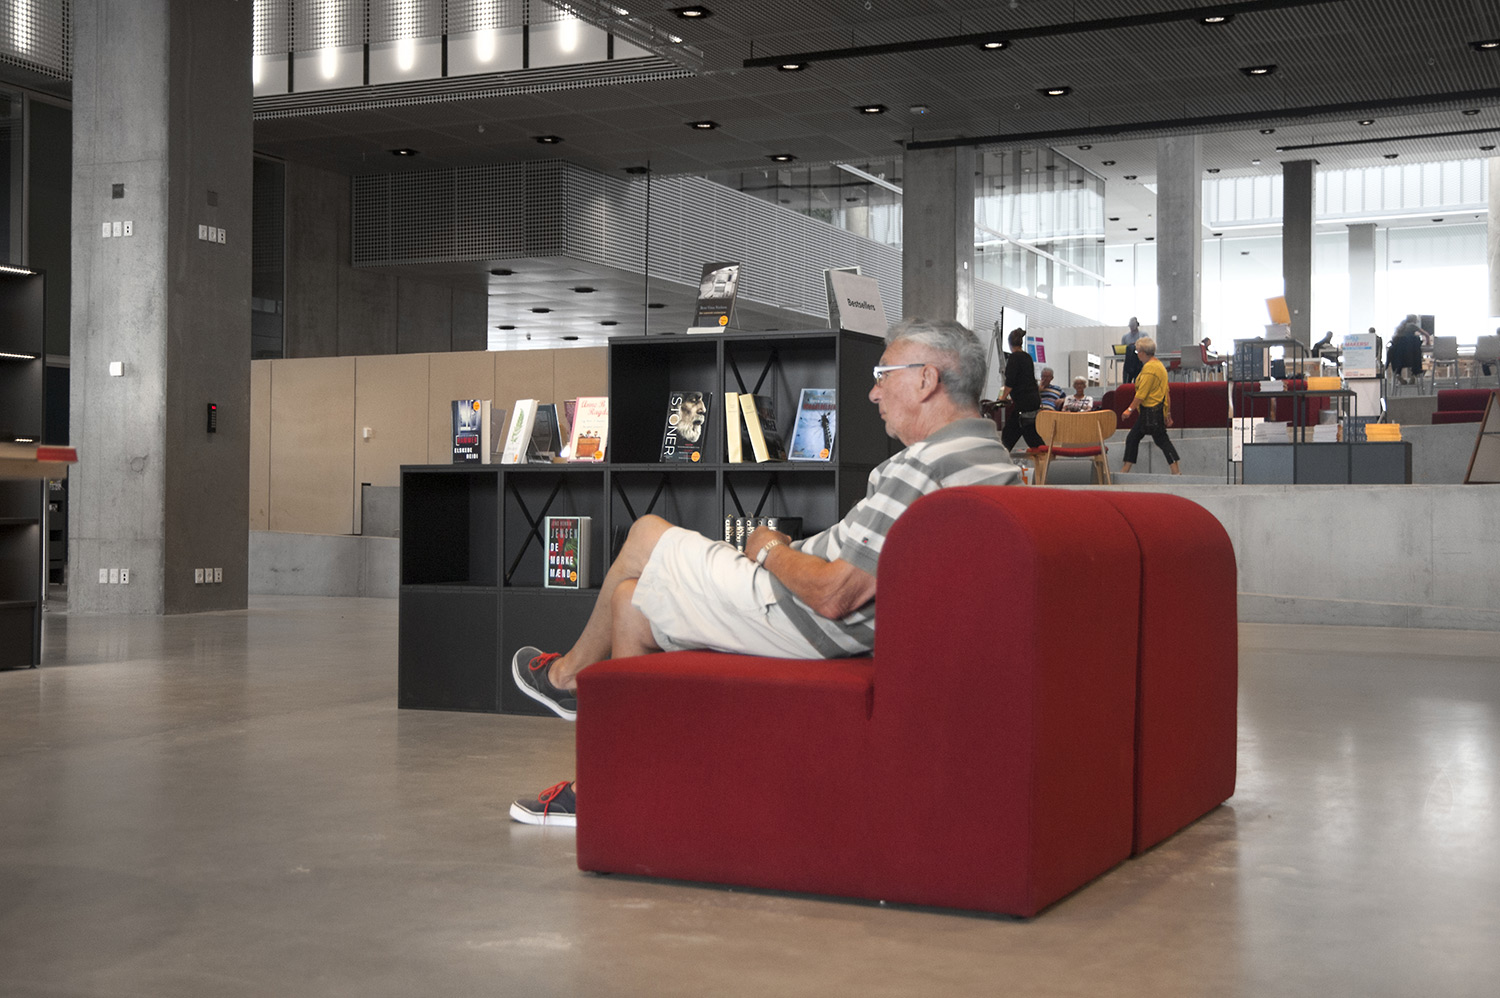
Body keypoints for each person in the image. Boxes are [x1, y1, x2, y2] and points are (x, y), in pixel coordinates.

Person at [507, 318, 1023, 825]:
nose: (873, 392)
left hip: (806, 618)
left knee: (644, 534)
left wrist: (771, 550)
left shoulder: (924, 465)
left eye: (883, 374)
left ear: (927, 379)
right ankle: (606, 790)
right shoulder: (990, 458)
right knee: (630, 601)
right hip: (841, 621)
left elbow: (835, 594)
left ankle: (568, 678)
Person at [1118, 337, 1182, 476]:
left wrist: (1129, 410)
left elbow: (1142, 394)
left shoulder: (1149, 369)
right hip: (1155, 410)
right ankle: (1126, 470)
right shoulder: (1159, 366)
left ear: (1142, 352)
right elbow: (1166, 392)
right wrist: (1168, 413)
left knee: (1160, 440)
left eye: (1137, 351)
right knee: (1135, 438)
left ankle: (1175, 470)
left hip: (1150, 411)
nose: (1137, 354)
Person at [998, 328, 1045, 453]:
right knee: (1027, 430)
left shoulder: (1014, 358)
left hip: (1023, 403)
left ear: (1009, 344)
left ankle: (1003, 457)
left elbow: (1010, 382)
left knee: (1010, 434)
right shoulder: (1027, 357)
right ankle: (1043, 453)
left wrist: (1002, 398)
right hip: (1033, 400)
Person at [1387, 317, 1423, 383]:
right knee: (1416, 354)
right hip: (1411, 359)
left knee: (1402, 356)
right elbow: (1426, 334)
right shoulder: (1412, 326)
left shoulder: (1399, 329)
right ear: (1414, 320)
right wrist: (1427, 342)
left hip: (1399, 361)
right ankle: (1414, 375)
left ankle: (1397, 374)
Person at [1121, 317, 1145, 383]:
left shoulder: (1143, 335)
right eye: (1130, 326)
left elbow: (1147, 348)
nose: (1131, 328)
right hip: (1128, 364)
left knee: (1138, 383)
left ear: (1137, 325)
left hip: (1140, 363)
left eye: (1133, 326)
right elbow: (1122, 350)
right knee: (1126, 384)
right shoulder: (1125, 337)